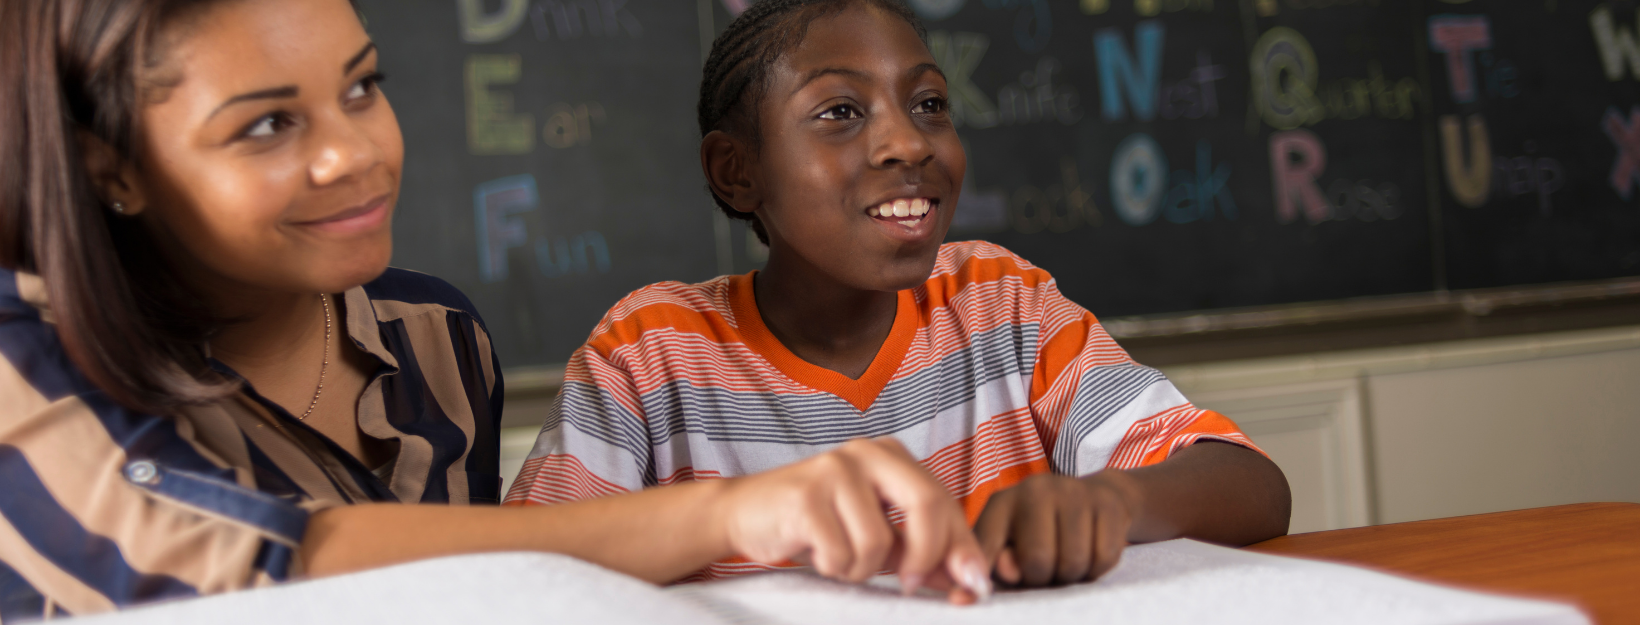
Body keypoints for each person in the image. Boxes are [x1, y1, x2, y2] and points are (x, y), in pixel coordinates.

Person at [0, 0, 988, 618]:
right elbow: (258, 568)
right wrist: (734, 509)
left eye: (361, 88)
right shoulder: (25, 365)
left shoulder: (433, 342)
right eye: (265, 126)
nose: (356, 152)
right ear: (112, 167)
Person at [506, 0, 1292, 589]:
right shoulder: (650, 352)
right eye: (841, 112)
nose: (909, 142)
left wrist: (1113, 502)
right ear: (735, 172)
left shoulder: (1001, 303)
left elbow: (1250, 484)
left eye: (929, 105)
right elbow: (527, 568)